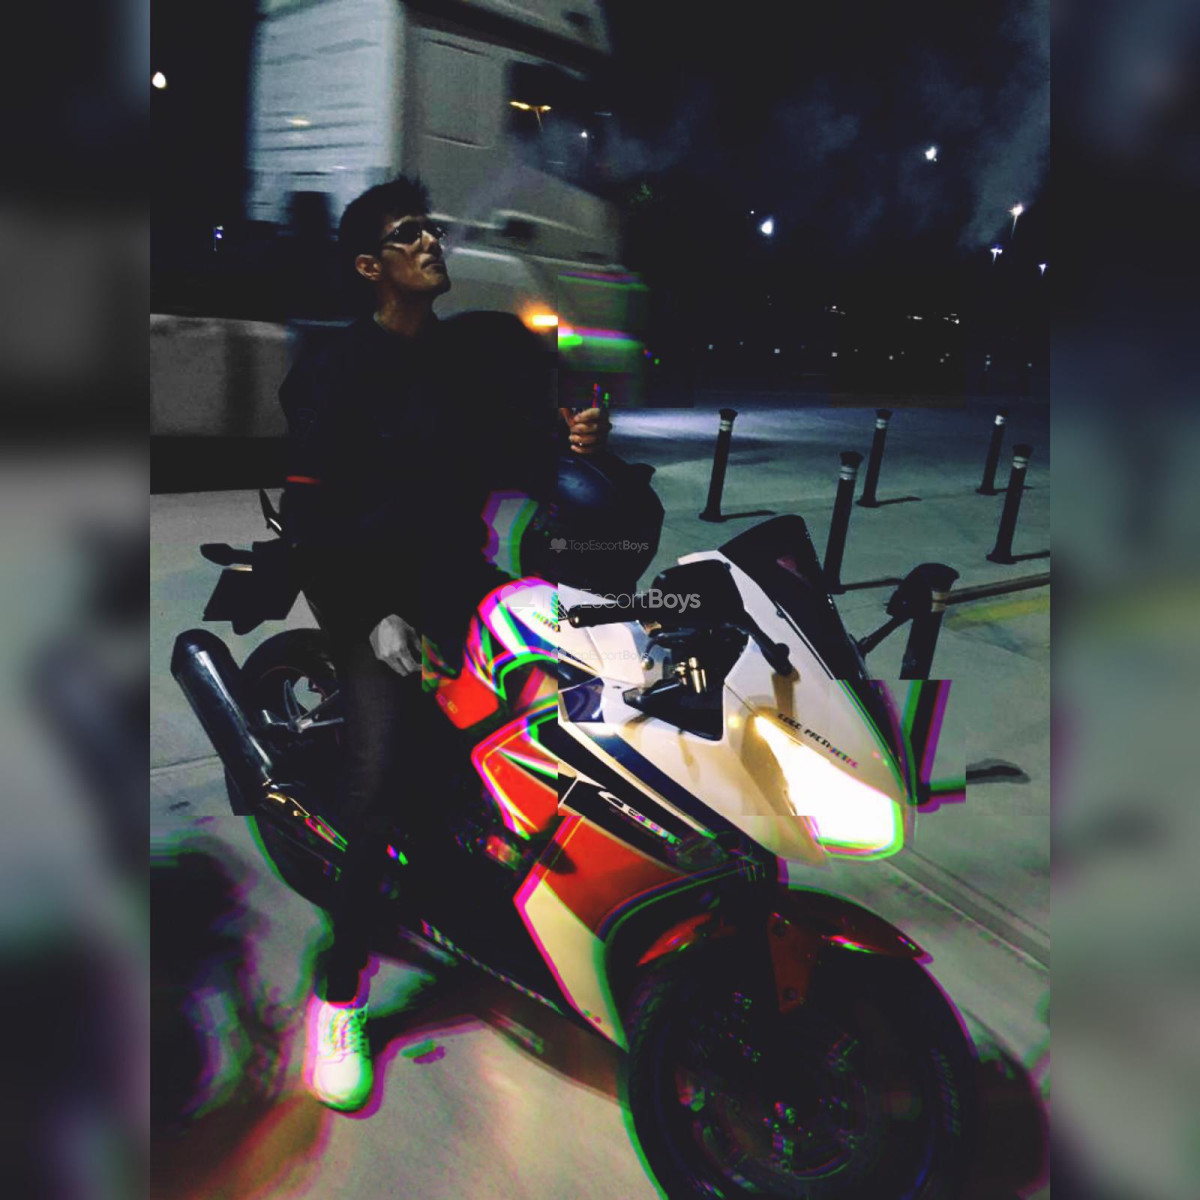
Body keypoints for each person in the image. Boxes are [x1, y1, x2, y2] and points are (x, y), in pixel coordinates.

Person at [278, 174, 608, 1111]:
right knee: (381, 780)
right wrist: (371, 620)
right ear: (370, 267)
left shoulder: (462, 361)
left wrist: (574, 445)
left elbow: (516, 454)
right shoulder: (335, 370)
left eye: (431, 226)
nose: (431, 241)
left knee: (584, 691)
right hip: (371, 596)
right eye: (408, 232)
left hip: (462, 581)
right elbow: (310, 521)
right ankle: (338, 991)